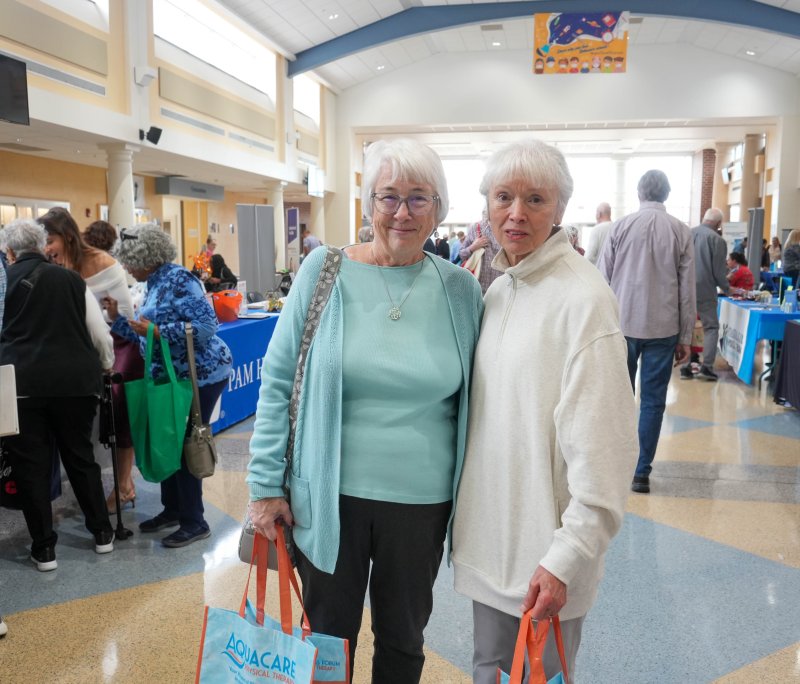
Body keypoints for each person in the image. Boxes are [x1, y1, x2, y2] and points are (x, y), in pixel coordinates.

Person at [246, 138, 483, 683]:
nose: (402, 212)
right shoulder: (323, 271)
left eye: (419, 198)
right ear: (368, 203)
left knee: (403, 640)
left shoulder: (461, 291)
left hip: (422, 504)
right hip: (329, 497)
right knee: (329, 641)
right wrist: (264, 486)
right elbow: (278, 380)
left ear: (438, 208)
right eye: (388, 196)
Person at [452, 139, 637, 683]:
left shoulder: (584, 301)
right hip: (491, 553)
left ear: (560, 208)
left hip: (545, 563)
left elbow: (607, 454)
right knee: (489, 671)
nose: (516, 213)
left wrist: (567, 558)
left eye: (535, 199)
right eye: (503, 197)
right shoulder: (498, 290)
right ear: (486, 205)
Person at [103, 224, 232, 548]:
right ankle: (173, 510)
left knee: (185, 443)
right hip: (171, 377)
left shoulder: (179, 279)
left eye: (130, 261)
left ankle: (195, 521)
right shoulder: (152, 283)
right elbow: (145, 334)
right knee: (168, 439)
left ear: (148, 257)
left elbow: (206, 327)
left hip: (200, 375)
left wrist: (160, 331)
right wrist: (118, 319)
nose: (127, 267)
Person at [0, 218, 116, 571]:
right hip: (76, 382)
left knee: (31, 467)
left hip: (22, 385)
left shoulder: (6, 281)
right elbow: (98, 332)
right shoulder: (71, 279)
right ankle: (103, 534)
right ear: (42, 246)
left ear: (9, 251)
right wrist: (105, 364)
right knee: (81, 458)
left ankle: (44, 549)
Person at [600, 169, 696, 495]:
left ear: (640, 193)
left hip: (622, 325)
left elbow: (602, 280)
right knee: (653, 402)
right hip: (664, 327)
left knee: (618, 398)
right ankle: (641, 472)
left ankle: (616, 464)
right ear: (667, 194)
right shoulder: (681, 231)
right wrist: (686, 337)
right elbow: (687, 290)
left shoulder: (620, 227)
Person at [39, 207, 141, 511]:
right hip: (77, 348)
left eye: (50, 240)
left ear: (67, 236)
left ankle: (124, 485)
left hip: (117, 344)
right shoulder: (52, 265)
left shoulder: (103, 263)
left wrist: (104, 318)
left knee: (118, 408)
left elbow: (126, 319)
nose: (46, 248)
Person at [680, 208, 729, 382]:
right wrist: (728, 288)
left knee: (686, 326)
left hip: (683, 288)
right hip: (705, 289)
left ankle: (686, 366)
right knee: (711, 327)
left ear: (704, 218)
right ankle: (706, 367)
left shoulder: (686, 234)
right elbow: (718, 272)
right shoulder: (717, 240)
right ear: (718, 223)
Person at [459, 211, 502, 294]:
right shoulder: (476, 228)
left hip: (500, 287)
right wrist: (473, 247)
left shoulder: (506, 229)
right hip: (476, 286)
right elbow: (462, 254)